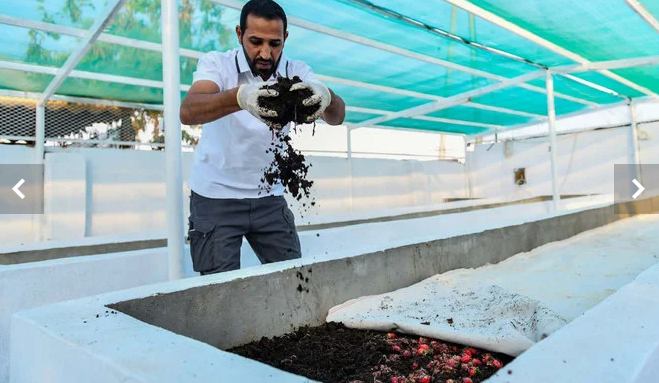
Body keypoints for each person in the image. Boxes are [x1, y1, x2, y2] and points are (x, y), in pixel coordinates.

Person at [180, 0, 346, 275]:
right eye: (256, 42)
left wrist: (326, 96)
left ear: (285, 39)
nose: (266, 54)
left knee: (293, 278)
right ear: (239, 34)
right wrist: (240, 97)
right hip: (215, 196)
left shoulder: (297, 71)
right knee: (219, 288)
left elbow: (336, 116)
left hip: (270, 195)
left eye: (275, 44)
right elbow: (188, 111)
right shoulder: (217, 65)